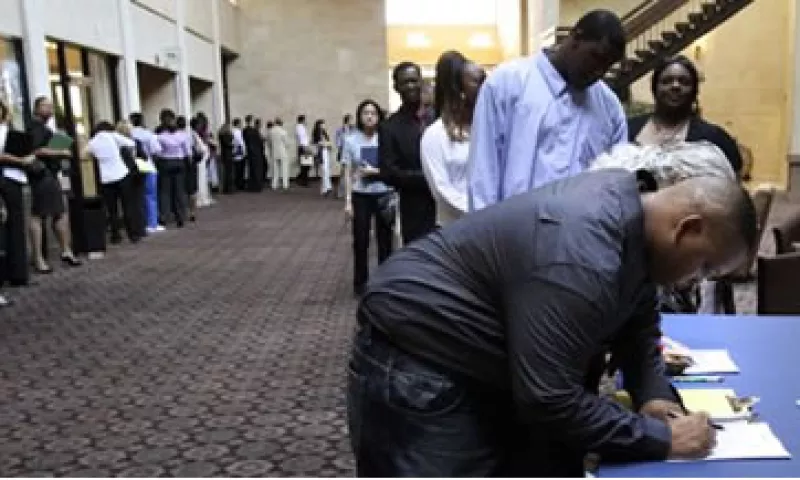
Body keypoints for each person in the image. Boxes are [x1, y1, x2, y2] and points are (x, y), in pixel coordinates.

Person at [347, 170, 758, 477]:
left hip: (484, 358)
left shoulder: (634, 217)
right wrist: (663, 439)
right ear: (686, 229)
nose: (695, 282)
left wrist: (653, 395)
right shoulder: (582, 255)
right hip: (420, 359)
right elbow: (547, 398)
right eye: (703, 267)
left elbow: (639, 322)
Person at [468, 9, 627, 211]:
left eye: (607, 66)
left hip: (579, 235)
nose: (598, 72)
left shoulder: (610, 108)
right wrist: (483, 236)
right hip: (511, 233)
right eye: (596, 57)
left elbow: (613, 184)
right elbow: (483, 173)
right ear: (575, 37)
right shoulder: (507, 84)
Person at [628, 55, 744, 314]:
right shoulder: (628, 130)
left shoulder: (714, 139)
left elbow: (731, 197)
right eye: (667, 81)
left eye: (684, 81)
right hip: (635, 244)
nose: (675, 86)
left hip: (691, 251)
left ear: (694, 90)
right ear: (655, 88)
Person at [421, 51, 486, 226]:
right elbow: (442, 191)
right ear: (460, 91)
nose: (485, 87)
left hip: (491, 226)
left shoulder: (486, 128)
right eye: (478, 82)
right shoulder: (435, 135)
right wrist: (482, 211)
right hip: (455, 229)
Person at [379, 62, 436, 244]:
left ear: (421, 81)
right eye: (405, 82)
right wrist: (428, 178)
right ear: (396, 87)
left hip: (448, 206)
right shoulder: (390, 127)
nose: (410, 86)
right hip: (415, 208)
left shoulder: (440, 118)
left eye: (414, 80)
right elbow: (389, 173)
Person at [342, 100, 394, 296]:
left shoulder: (386, 138)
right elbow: (347, 171)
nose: (369, 116)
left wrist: (376, 171)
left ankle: (385, 281)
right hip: (360, 196)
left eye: (373, 113)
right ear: (359, 116)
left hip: (383, 193)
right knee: (361, 240)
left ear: (379, 116)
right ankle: (360, 282)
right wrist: (347, 201)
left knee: (385, 240)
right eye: (365, 113)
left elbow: (391, 168)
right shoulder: (350, 140)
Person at [27, 96, 81, 273]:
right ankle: (39, 258)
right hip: (41, 175)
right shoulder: (35, 127)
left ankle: (66, 251)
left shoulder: (44, 128)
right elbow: (37, 150)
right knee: (38, 215)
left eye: (51, 106)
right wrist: (61, 151)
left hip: (49, 174)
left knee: (60, 212)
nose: (50, 109)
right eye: (45, 106)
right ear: (36, 108)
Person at [88, 121, 139, 244]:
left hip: (106, 178)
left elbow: (84, 153)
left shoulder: (92, 142)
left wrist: (97, 155)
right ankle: (132, 234)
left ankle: (115, 235)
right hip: (121, 174)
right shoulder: (112, 136)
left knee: (112, 209)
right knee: (127, 205)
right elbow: (131, 143)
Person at [0, 98, 31, 286]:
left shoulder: (9, 130)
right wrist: (21, 160)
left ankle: (17, 271)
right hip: (8, 177)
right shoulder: (4, 131)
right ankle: (15, 272)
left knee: (15, 224)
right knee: (13, 224)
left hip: (13, 177)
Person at [155, 109, 191, 228]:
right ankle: (181, 216)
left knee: (165, 191)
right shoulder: (182, 135)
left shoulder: (159, 136)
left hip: (165, 162)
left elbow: (157, 152)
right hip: (179, 162)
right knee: (179, 190)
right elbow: (187, 151)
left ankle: (164, 216)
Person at [130, 112, 164, 234]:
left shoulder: (128, 134)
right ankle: (152, 223)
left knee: (137, 197)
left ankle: (141, 223)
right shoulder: (148, 134)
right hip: (148, 166)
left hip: (132, 168)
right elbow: (157, 151)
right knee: (151, 196)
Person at [243, 115, 265, 192]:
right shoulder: (254, 131)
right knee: (257, 169)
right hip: (256, 152)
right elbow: (259, 141)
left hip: (249, 152)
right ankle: (257, 186)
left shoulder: (245, 130)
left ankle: (251, 185)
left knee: (251, 169)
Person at [335, 114, 355, 198]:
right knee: (344, 174)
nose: (352, 121)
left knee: (352, 173)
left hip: (352, 153)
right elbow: (338, 142)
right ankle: (340, 193)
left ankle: (350, 192)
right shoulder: (341, 130)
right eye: (351, 120)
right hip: (344, 154)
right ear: (347, 120)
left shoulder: (353, 129)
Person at [312, 119, 333, 196]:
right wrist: (325, 143)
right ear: (319, 125)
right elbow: (318, 143)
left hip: (326, 152)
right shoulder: (316, 133)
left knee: (327, 170)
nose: (324, 125)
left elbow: (328, 142)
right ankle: (325, 188)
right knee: (324, 170)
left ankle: (327, 187)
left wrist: (327, 144)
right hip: (321, 153)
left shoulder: (324, 133)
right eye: (323, 124)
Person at [268, 118, 290, 191]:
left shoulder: (271, 131)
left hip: (274, 152)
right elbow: (287, 143)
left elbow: (269, 143)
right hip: (282, 151)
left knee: (275, 169)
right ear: (281, 123)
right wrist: (287, 147)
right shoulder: (283, 132)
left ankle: (274, 184)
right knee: (284, 169)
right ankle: (285, 184)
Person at [296, 115, 312, 187]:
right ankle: (303, 181)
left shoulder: (301, 127)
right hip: (303, 147)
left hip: (303, 147)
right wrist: (306, 148)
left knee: (305, 165)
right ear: (302, 120)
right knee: (306, 165)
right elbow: (302, 138)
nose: (306, 121)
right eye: (305, 120)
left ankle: (300, 178)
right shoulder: (300, 128)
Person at [231, 117, 247, 191]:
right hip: (239, 152)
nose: (241, 124)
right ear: (237, 124)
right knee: (240, 169)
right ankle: (240, 185)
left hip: (235, 151)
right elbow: (240, 142)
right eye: (240, 123)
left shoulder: (232, 131)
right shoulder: (237, 132)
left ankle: (238, 183)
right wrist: (244, 151)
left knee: (237, 169)